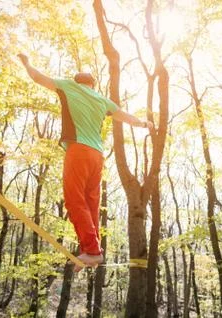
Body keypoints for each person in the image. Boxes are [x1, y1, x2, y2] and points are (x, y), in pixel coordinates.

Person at [17, 53, 153, 271]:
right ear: (92, 84)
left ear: (77, 81)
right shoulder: (102, 99)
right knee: (91, 204)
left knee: (74, 200)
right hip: (97, 156)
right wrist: (145, 124)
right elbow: (128, 118)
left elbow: (37, 77)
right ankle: (91, 252)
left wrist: (26, 63)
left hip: (78, 150)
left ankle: (91, 249)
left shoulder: (68, 86)